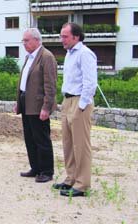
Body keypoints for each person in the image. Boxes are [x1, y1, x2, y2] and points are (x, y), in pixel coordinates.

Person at [53, 22, 98, 197]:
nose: (61, 39)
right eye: (61, 36)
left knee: (81, 145)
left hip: (80, 102)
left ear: (76, 36)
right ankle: (71, 178)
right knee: (68, 143)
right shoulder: (69, 54)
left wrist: (81, 106)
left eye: (65, 36)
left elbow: (90, 82)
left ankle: (82, 184)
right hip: (68, 100)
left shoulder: (85, 54)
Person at [14, 28, 57, 183]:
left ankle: (46, 170)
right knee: (30, 137)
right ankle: (36, 167)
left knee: (41, 138)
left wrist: (46, 107)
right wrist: (18, 101)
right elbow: (24, 82)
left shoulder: (46, 57)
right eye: (23, 41)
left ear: (36, 40)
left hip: (38, 105)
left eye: (26, 40)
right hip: (27, 102)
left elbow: (50, 85)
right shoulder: (29, 57)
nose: (24, 43)